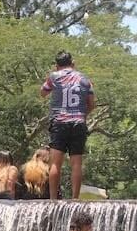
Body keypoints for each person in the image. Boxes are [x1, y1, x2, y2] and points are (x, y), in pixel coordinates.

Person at [40, 51, 96, 199]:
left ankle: (53, 199)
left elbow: (43, 93)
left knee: (55, 164)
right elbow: (91, 104)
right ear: (73, 63)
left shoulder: (54, 77)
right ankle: (75, 198)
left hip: (59, 122)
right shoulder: (85, 79)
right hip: (78, 122)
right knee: (76, 163)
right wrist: (82, 115)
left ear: (57, 65)